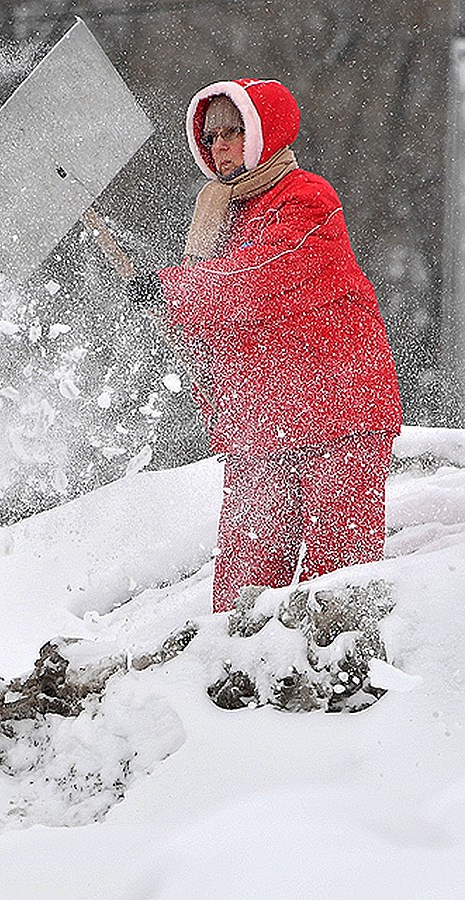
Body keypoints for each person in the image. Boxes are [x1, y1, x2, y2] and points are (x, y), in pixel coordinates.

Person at [130, 78, 402, 613]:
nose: (221, 145)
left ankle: (349, 691)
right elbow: (219, 317)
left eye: (234, 131)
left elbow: (256, 282)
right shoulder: (225, 216)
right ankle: (237, 689)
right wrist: (161, 286)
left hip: (338, 414)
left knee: (339, 586)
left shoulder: (307, 198)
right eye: (212, 136)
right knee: (243, 592)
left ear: (262, 134)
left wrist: (167, 287)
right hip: (264, 423)